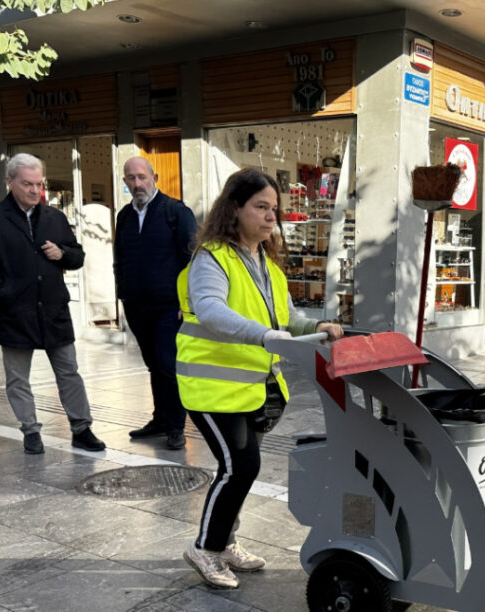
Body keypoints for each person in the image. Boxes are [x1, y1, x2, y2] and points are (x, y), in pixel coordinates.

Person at [176, 168, 343, 588]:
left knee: (237, 469)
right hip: (210, 387)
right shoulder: (212, 258)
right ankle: (206, 548)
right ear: (235, 208)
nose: (272, 218)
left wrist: (319, 327)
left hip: (253, 388)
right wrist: (266, 336)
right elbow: (211, 311)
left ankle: (224, 541)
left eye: (274, 209)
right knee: (241, 466)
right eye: (261, 207)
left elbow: (286, 319)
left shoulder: (268, 266)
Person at [0, 153, 105, 455]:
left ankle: (81, 428)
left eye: (39, 184)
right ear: (10, 182)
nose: (34, 190)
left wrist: (63, 254)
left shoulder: (54, 217)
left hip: (54, 310)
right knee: (18, 378)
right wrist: (4, 294)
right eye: (27, 184)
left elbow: (78, 255)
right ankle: (30, 430)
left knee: (69, 372)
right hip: (15, 312)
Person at [114, 157, 198, 450]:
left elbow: (193, 260)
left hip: (169, 308)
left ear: (154, 177)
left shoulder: (176, 212)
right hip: (137, 306)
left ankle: (176, 426)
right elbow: (120, 259)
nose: (137, 184)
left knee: (167, 364)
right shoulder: (123, 217)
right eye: (131, 178)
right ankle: (160, 419)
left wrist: (186, 303)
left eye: (142, 177)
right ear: (125, 182)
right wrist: (122, 293)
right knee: (153, 365)